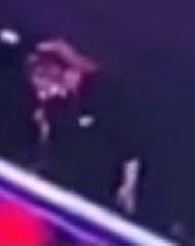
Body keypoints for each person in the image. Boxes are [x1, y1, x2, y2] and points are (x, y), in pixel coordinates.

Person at [25, 40, 143, 217]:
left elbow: (130, 148)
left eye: (45, 87)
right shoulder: (58, 108)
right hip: (73, 188)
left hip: (103, 188)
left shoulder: (103, 95)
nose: (44, 94)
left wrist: (128, 186)